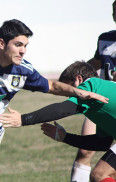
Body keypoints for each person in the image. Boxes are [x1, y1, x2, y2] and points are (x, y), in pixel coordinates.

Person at [0, 19, 108, 182]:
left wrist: (79, 93)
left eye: (25, 45)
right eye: (18, 45)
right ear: (2, 43)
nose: (23, 50)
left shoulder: (23, 71)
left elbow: (52, 86)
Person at [0, 61, 115, 182]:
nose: (67, 96)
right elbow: (102, 143)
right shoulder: (102, 98)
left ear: (79, 79)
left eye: (68, 90)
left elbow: (61, 109)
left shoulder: (91, 85)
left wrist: (23, 119)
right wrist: (65, 137)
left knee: (99, 174)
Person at [71, 1, 116, 181]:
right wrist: (74, 74)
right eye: (115, 11)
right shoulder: (105, 38)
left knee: (104, 171)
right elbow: (95, 63)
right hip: (100, 102)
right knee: (85, 149)